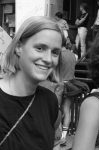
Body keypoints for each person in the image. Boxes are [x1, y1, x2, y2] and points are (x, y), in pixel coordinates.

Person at [0, 16, 64, 150]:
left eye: (55, 52)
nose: (48, 59)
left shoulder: (50, 101)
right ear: (19, 47)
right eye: (40, 48)